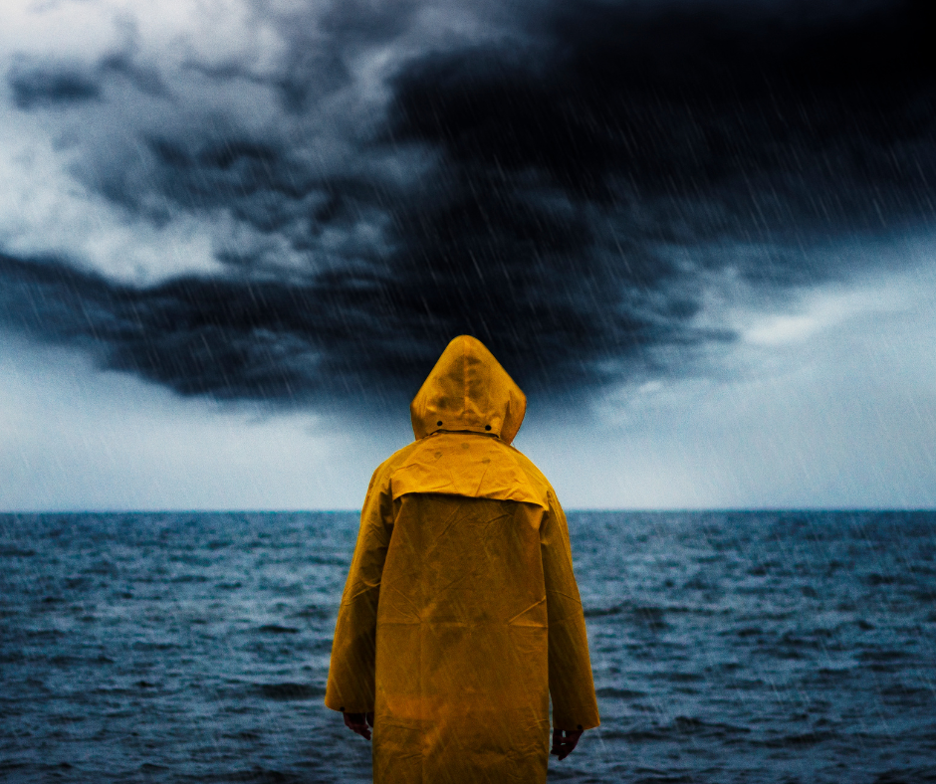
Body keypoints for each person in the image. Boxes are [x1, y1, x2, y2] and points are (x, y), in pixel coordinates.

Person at [325, 335, 599, 784]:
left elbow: (363, 590)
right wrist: (573, 706)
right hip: (510, 709)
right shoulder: (531, 482)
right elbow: (563, 605)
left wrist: (352, 689)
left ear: (431, 400)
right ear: (503, 402)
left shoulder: (395, 475)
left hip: (414, 706)